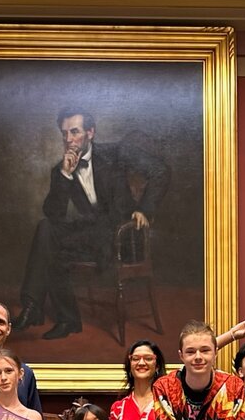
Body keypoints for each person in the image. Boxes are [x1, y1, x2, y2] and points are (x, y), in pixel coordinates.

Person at [13, 108, 170, 340]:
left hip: (123, 236)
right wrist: (66, 176)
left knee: (54, 249)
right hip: (92, 235)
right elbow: (53, 213)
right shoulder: (61, 169)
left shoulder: (117, 153)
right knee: (46, 229)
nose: (68, 139)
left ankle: (54, 314)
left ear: (90, 132)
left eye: (74, 132)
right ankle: (39, 308)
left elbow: (160, 171)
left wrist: (144, 209)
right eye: (64, 133)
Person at [109, 339, 166, 420]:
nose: (141, 363)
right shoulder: (118, 409)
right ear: (129, 365)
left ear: (157, 365)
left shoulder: (167, 403)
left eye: (148, 359)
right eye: (135, 359)